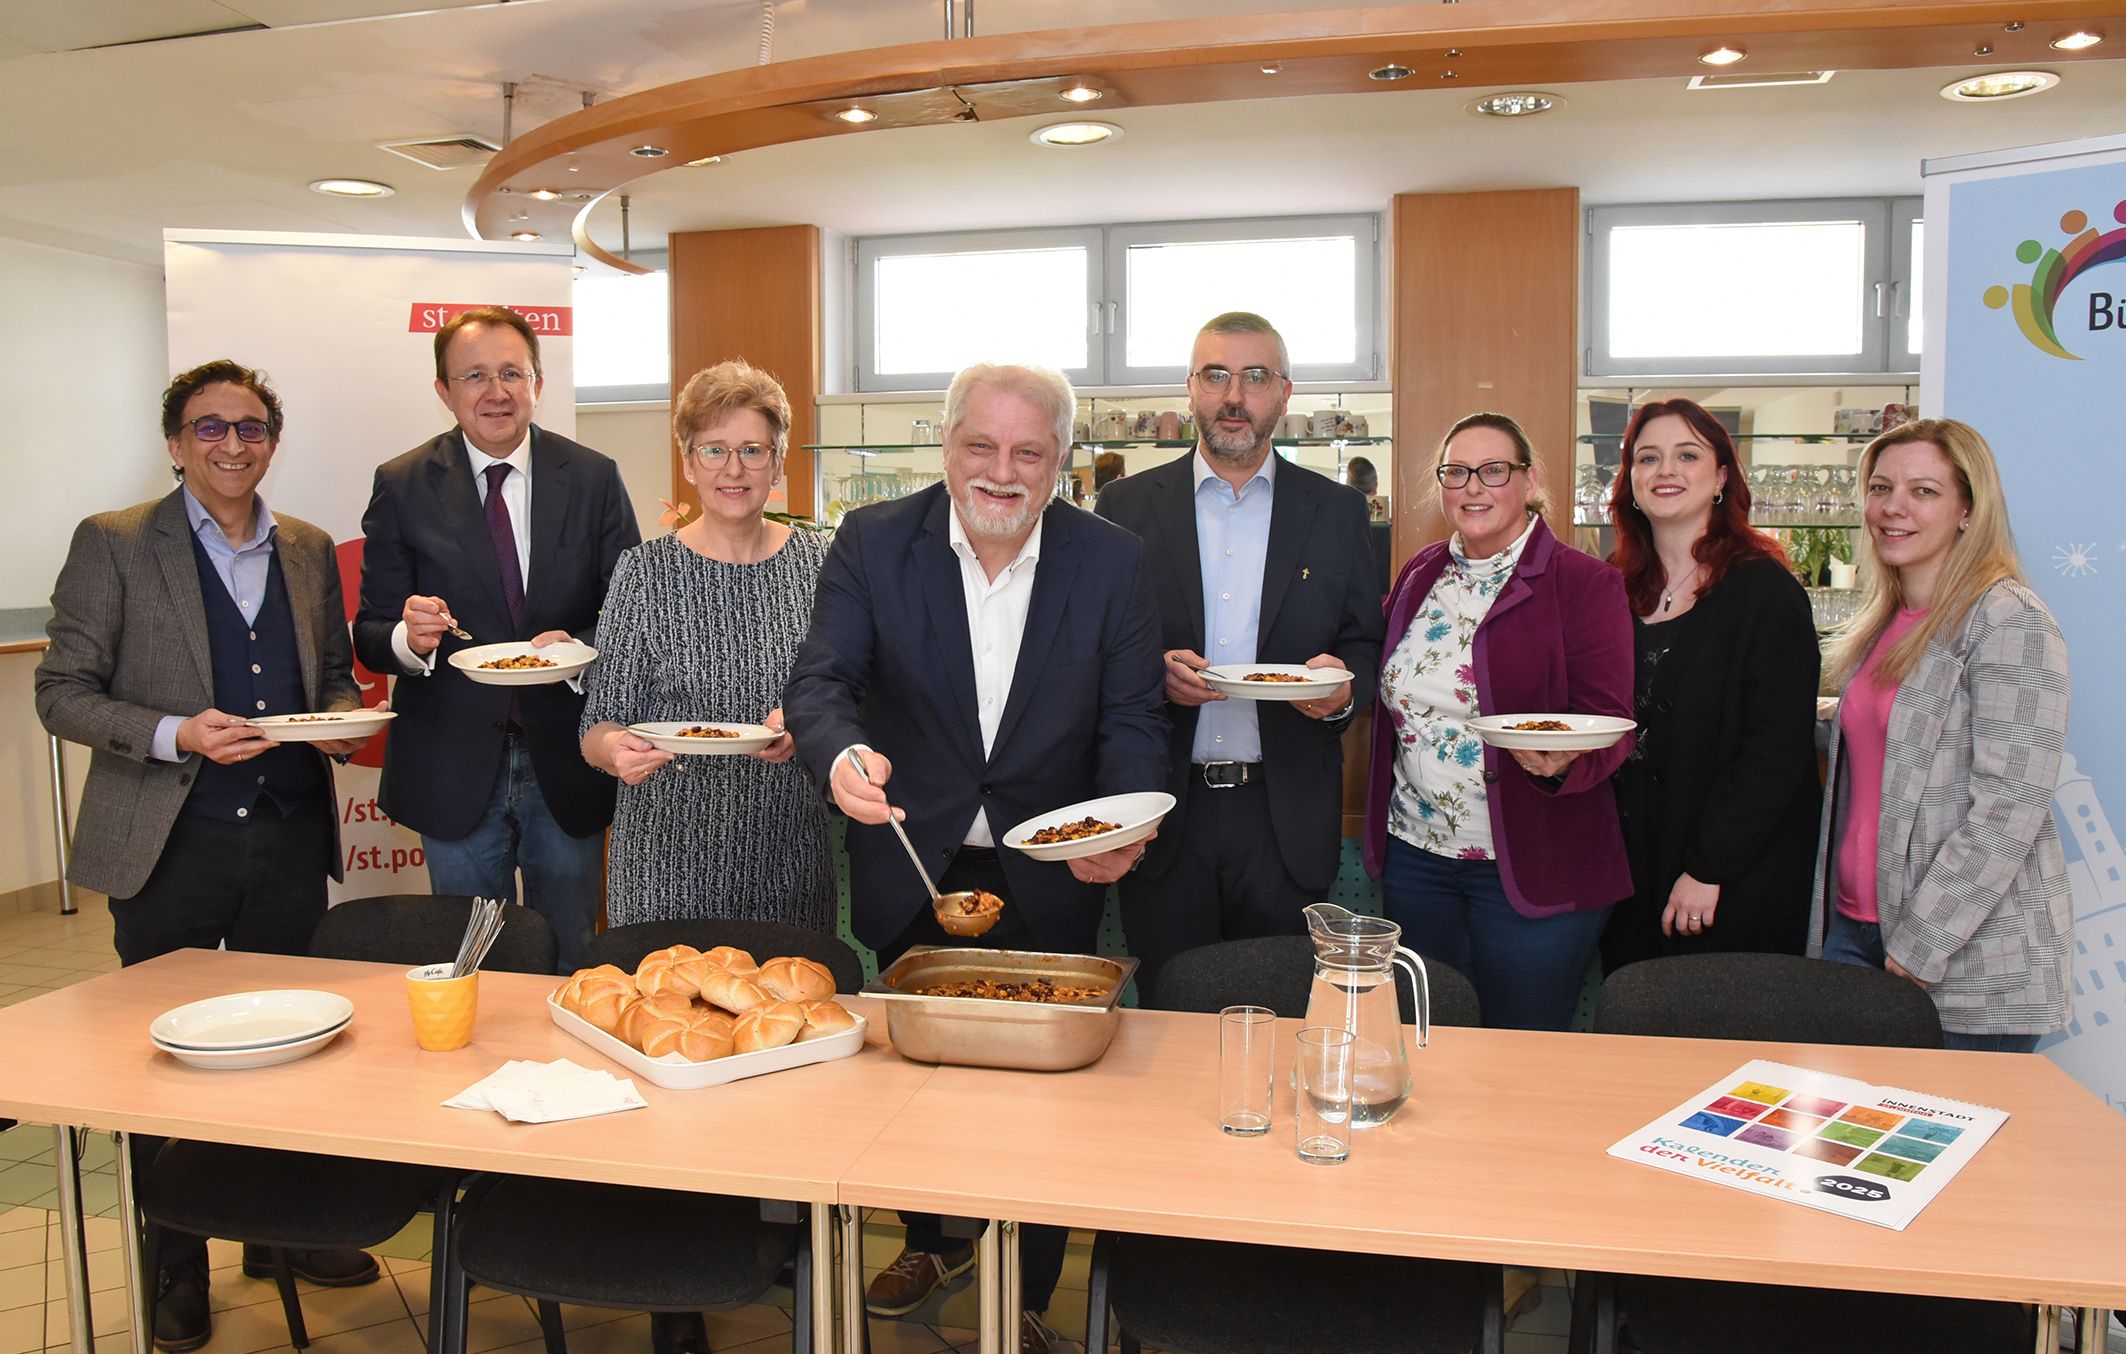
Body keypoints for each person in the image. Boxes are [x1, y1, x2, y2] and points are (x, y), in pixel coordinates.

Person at [784, 362, 1165, 1354]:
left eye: (1027, 451)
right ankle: (927, 1236)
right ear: (945, 447)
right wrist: (837, 756)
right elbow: (822, 683)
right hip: (914, 851)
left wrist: (1118, 825)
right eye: (980, 447)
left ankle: (1029, 1287)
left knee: (1040, 1100)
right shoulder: (872, 541)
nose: (1001, 471)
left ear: (1060, 463)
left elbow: (1131, 720)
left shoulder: (1113, 560)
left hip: (1051, 863)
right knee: (919, 1080)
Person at [35, 360, 381, 1351]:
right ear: (177, 442)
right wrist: (174, 731)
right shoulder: (113, 543)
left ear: (273, 438)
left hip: (284, 835)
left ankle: (276, 1233)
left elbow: (323, 680)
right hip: (167, 843)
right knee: (161, 1068)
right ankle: (174, 1264)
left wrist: (342, 723)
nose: (233, 443)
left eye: (251, 427)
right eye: (210, 427)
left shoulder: (308, 547)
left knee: (295, 1043)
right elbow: (61, 690)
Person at [1095, 312, 1382, 999]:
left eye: (1255, 376)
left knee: (1285, 1020)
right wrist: (1151, 675)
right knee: (1170, 1019)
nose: (1234, 395)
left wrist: (1341, 693)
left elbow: (1366, 644)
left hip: (1284, 818)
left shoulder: (1339, 513)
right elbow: (1093, 651)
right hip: (1166, 813)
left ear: (1284, 394)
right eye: (1217, 374)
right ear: (1191, 389)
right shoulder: (1125, 506)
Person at [353, 306, 639, 970]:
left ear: (538, 381)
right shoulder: (402, 485)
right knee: (468, 958)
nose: (496, 391)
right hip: (451, 761)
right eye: (475, 375)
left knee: (571, 949)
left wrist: (577, 647)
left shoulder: (593, 477)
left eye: (512, 372)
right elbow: (370, 632)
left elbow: (630, 613)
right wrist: (410, 637)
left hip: (566, 754)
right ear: (443, 391)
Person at [1361, 412, 1633, 1031]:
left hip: (1532, 863)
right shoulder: (1420, 573)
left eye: (1494, 470)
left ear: (1529, 481)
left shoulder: (1585, 583)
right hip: (1417, 857)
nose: (1474, 488)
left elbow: (1611, 722)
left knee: (1523, 1055)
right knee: (1426, 1042)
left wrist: (1566, 761)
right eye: (1456, 472)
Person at [1811, 418, 2072, 1051]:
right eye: (1881, 488)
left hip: (1964, 955)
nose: (1893, 508)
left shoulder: (2008, 620)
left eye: (1923, 491)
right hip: (1855, 930)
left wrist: (1922, 943)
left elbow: (2010, 804)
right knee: (1849, 1144)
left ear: (1967, 510)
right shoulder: (1884, 623)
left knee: (1954, 1151)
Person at [578, 360, 834, 933]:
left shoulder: (820, 564)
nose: (733, 469)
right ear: (689, 463)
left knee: (790, 1017)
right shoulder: (642, 572)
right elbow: (596, 726)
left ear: (778, 461)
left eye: (752, 449)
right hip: (663, 863)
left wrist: (810, 724)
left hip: (787, 856)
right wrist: (617, 749)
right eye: (713, 450)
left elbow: (854, 696)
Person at [1599, 399, 1821, 972]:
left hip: (1727, 882)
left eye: (1687, 455)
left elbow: (1776, 753)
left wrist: (1708, 868)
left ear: (1721, 475)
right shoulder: (1616, 588)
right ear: (1630, 481)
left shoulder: (1762, 591)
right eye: (1647, 458)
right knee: (1635, 1041)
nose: (1665, 471)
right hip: (1633, 873)